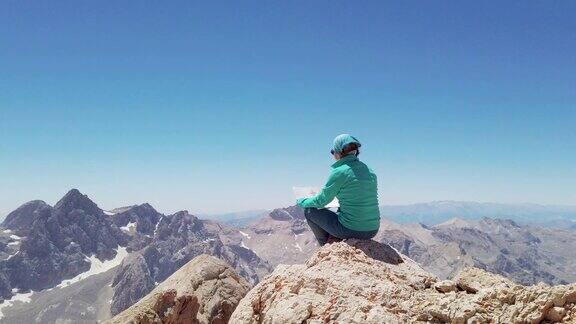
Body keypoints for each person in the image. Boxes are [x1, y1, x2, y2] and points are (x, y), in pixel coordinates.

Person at [297, 134, 380, 246]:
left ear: (338, 152)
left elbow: (321, 201)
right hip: (373, 229)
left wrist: (302, 201)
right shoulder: (369, 170)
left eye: (333, 151)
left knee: (310, 211)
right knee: (336, 209)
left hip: (352, 230)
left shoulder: (339, 172)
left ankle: (326, 246)